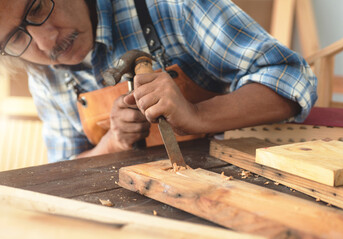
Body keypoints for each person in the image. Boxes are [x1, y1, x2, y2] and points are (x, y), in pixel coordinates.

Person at [0, 0, 317, 163]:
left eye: (38, 6)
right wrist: (114, 142)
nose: (47, 41)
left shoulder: (172, 6)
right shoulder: (42, 70)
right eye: (15, 37)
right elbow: (64, 168)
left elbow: (291, 75)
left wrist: (197, 114)